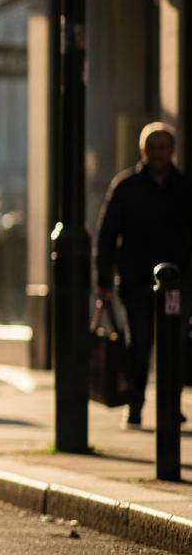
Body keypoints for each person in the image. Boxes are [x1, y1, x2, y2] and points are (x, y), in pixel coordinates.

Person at [95, 122, 192, 428]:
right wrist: (104, 280)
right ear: (143, 151)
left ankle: (170, 405)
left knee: (175, 346)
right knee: (140, 344)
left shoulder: (184, 188)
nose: (158, 153)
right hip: (136, 282)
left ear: (172, 151)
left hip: (177, 282)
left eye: (164, 147)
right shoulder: (126, 187)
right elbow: (107, 234)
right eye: (153, 147)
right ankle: (135, 403)